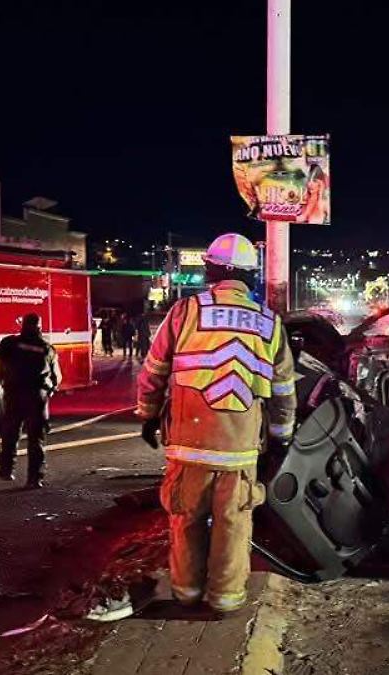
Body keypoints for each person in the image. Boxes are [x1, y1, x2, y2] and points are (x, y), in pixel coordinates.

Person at [137, 232, 296, 615]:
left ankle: (187, 594)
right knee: (233, 524)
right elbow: (283, 390)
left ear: (211, 269)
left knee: (186, 519)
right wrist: (281, 437)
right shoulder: (269, 323)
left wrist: (146, 414)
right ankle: (225, 599)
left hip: (188, 443)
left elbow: (154, 371)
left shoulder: (184, 312)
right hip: (239, 450)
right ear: (250, 275)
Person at [0, 313, 62, 489]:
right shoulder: (46, 348)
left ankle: (6, 469)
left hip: (13, 394)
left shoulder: (9, 343)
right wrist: (51, 388)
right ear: (39, 327)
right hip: (37, 397)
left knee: (10, 433)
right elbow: (57, 376)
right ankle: (34, 478)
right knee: (36, 438)